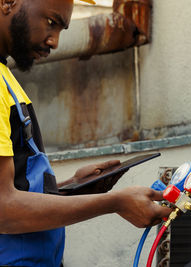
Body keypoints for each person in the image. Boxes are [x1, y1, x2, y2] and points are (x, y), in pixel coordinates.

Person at [0, 0, 172, 265]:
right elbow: (4, 210)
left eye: (62, 30)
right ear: (7, 2)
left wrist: (72, 187)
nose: (55, 42)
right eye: (51, 22)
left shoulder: (6, 78)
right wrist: (114, 203)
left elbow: (17, 188)